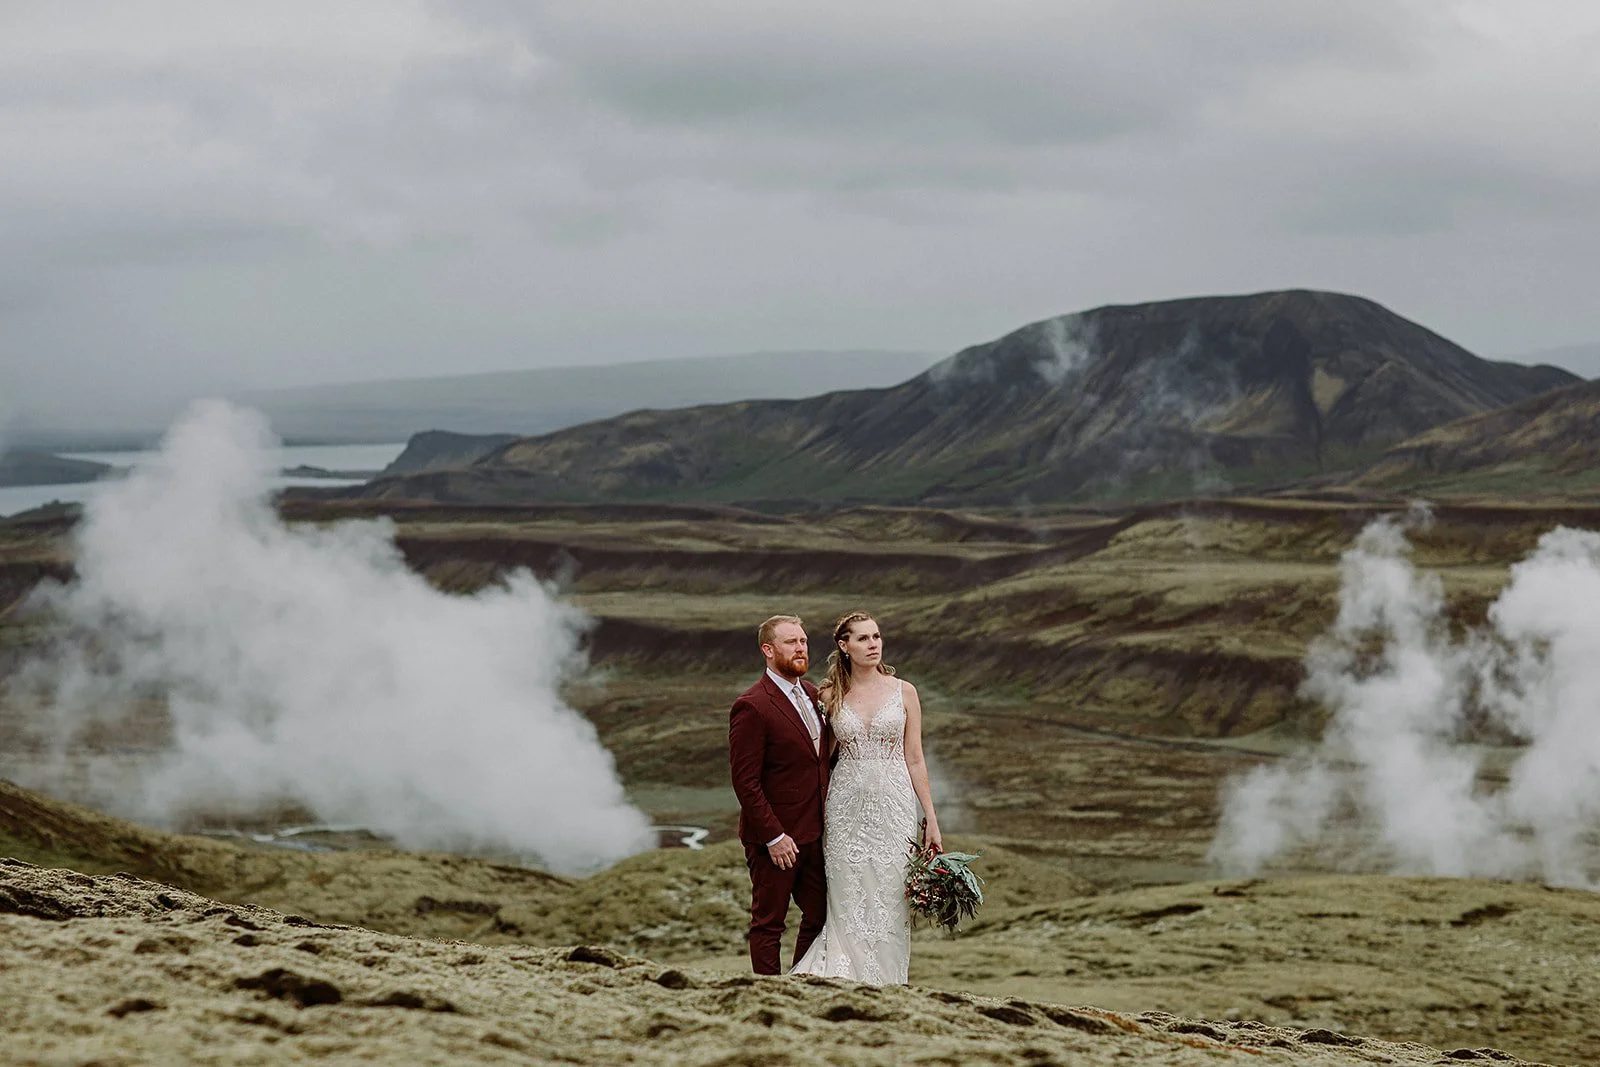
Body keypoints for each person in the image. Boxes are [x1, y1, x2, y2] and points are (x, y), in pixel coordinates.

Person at [792, 610, 941, 985]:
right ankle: (842, 978)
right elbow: (818, 758)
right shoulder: (829, 694)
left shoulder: (904, 691)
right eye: (863, 638)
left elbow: (915, 757)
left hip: (895, 805)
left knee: (891, 897)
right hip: (845, 807)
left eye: (876, 637)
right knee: (849, 895)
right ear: (844, 646)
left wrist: (931, 819)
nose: (873, 644)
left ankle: (889, 983)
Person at [727, 614, 832, 975]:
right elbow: (745, 782)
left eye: (803, 641)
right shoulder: (752, 705)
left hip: (814, 834)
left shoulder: (814, 694)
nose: (801, 648)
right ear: (768, 650)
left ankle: (800, 984)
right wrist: (774, 836)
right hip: (774, 840)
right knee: (769, 924)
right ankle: (768, 997)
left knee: (821, 916)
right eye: (791, 642)